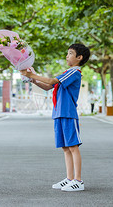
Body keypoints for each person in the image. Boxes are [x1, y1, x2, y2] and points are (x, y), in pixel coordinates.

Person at [21, 43, 90, 192]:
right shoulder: (67, 72)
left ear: (79, 58)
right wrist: (32, 80)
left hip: (68, 114)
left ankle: (78, 180)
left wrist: (31, 74)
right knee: (66, 148)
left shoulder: (74, 72)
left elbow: (52, 81)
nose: (67, 56)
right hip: (59, 113)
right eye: (67, 53)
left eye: (70, 53)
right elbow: (47, 86)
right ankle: (69, 178)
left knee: (73, 147)